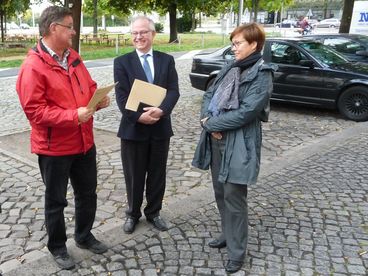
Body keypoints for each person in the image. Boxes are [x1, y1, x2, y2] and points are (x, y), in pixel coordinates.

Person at [16, 6, 109, 270]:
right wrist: (72, 116)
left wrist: (98, 99)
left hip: (83, 142)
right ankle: (57, 247)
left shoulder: (74, 57)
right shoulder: (33, 67)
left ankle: (83, 235)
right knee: (56, 200)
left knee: (87, 193)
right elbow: (34, 112)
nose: (74, 31)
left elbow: (88, 87)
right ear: (54, 28)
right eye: (69, 26)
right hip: (54, 148)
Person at [192, 23, 276, 273]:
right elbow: (210, 95)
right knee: (220, 192)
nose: (233, 47)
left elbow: (247, 112)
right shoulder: (231, 66)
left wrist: (212, 124)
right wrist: (208, 121)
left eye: (238, 43)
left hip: (239, 142)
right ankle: (227, 234)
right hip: (217, 141)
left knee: (234, 197)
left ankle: (237, 253)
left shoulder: (263, 73)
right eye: (233, 42)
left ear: (254, 44)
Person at [113, 16, 180, 234]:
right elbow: (121, 97)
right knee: (134, 176)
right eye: (134, 33)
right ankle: (133, 214)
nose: (138, 37)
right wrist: (138, 117)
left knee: (157, 174)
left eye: (143, 32)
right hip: (133, 130)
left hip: (160, 128)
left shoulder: (166, 60)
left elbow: (173, 91)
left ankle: (154, 213)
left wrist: (162, 110)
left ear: (152, 34)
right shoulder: (122, 62)